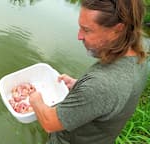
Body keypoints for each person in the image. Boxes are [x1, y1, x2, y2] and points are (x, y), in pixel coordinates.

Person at [29, 0, 149, 144]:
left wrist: (35, 98)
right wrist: (79, 85)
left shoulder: (100, 85)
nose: (79, 36)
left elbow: (49, 122)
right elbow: (109, 99)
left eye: (87, 30)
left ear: (118, 29)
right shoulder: (139, 58)